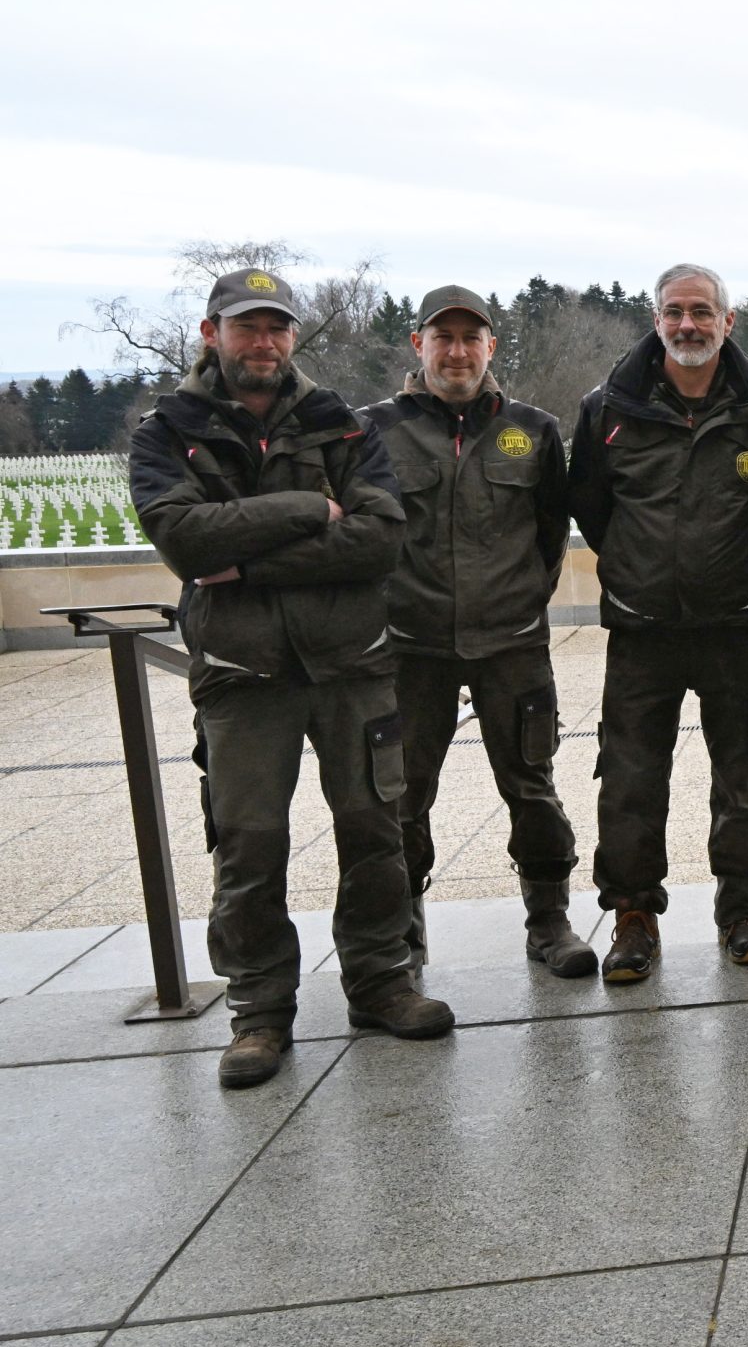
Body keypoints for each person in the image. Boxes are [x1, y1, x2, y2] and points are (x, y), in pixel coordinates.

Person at [129, 269, 454, 1090]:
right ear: (212, 333)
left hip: (352, 665)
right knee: (250, 843)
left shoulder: (336, 423)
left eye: (276, 327)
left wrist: (244, 556)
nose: (264, 342)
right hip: (243, 675)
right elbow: (186, 542)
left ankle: (381, 982)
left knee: (375, 830)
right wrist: (312, 510)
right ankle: (260, 1011)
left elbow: (382, 538)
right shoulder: (168, 430)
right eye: (247, 327)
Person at [568, 264, 748, 982]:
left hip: (735, 627)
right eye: (674, 311)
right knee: (630, 780)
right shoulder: (608, 408)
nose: (687, 324)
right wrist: (643, 570)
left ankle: (743, 909)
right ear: (655, 319)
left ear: (729, 322)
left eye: (702, 311)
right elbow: (593, 512)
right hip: (643, 629)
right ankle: (634, 916)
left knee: (745, 774)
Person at [363, 287, 588, 977]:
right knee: (400, 794)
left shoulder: (535, 429)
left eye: (471, 338)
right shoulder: (372, 430)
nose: (456, 351)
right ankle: (403, 935)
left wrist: (519, 604)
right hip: (411, 648)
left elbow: (551, 533)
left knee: (532, 787)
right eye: (443, 337)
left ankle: (549, 921)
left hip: (512, 645)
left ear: (491, 347)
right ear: (418, 344)